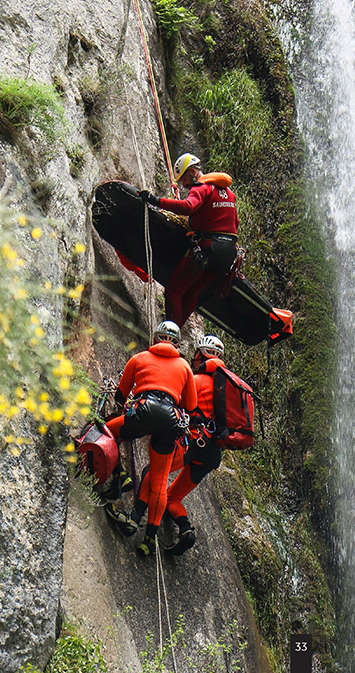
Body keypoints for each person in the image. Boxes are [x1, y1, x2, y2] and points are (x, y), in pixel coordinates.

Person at [104, 320, 197, 556]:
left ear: (155, 338)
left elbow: (121, 394)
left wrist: (125, 412)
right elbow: (191, 405)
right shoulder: (185, 367)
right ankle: (149, 539)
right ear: (176, 344)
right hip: (170, 419)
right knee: (159, 480)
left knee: (108, 431)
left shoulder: (140, 358)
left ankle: (120, 474)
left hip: (144, 409)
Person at [139, 153, 239, 327]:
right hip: (228, 255)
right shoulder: (228, 193)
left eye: (184, 179)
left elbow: (188, 206)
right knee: (192, 292)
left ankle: (169, 335)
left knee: (174, 290)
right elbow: (235, 222)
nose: (184, 185)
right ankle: (175, 333)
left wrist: (156, 201)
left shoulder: (202, 187)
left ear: (193, 171)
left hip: (209, 249)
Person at [161, 334, 228, 556]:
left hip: (194, 442)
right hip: (212, 455)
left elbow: (175, 402)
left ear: (200, 354)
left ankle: (141, 520)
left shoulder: (197, 379)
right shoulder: (226, 388)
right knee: (173, 497)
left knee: (156, 474)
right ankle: (186, 531)